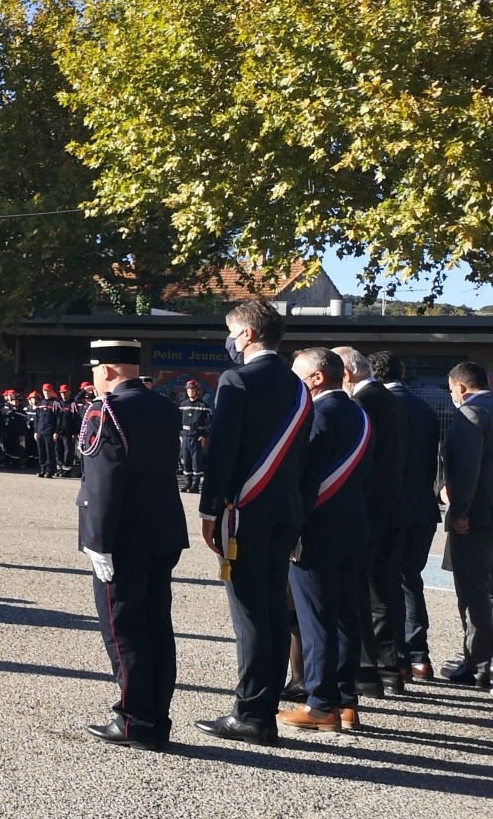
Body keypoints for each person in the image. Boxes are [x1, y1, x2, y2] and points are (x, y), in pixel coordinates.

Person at [194, 300, 312, 746]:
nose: (229, 340)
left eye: (230, 331)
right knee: (273, 611)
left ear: (246, 335)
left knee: (248, 613)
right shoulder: (299, 387)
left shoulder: (237, 379)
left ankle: (251, 713)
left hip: (246, 511)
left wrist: (209, 510)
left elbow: (222, 450)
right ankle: (261, 707)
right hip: (286, 509)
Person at [76, 340, 186, 751]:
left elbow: (103, 482)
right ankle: (157, 717)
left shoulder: (105, 409)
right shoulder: (164, 406)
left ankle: (132, 720)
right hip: (162, 532)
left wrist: (96, 541)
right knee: (157, 627)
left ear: (105, 370)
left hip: (122, 536)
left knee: (123, 629)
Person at [278, 348, 373, 733]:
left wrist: (290, 529)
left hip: (318, 529)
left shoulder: (318, 414)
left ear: (317, 378)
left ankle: (319, 706)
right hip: (355, 526)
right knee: (346, 616)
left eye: (298, 375)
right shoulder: (359, 413)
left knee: (316, 618)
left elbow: (305, 477)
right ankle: (346, 702)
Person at [333, 345, 410, 698]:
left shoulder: (361, 404)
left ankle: (365, 671)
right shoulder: (392, 399)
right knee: (383, 588)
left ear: (346, 374)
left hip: (366, 509)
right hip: (392, 505)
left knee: (358, 590)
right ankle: (390, 666)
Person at [374, 350, 442, 680]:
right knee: (411, 581)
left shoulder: (378, 406)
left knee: (387, 581)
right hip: (423, 507)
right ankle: (419, 656)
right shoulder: (426, 410)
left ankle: (397, 656)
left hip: (390, 508)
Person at [439, 361, 493, 689]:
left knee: (474, 591)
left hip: (478, 517)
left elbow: (465, 471)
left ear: (460, 388)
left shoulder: (471, 415)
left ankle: (480, 663)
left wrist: (458, 511)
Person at [177, 378, 211, 493]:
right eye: (188, 390)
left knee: (197, 462)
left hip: (197, 438)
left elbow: (210, 423)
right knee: (186, 461)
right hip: (185, 437)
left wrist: (204, 435)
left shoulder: (203, 405)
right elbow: (178, 421)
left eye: (193, 390)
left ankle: (195, 485)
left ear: (197, 391)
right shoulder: (183, 405)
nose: (190, 392)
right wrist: (180, 435)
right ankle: (188, 483)